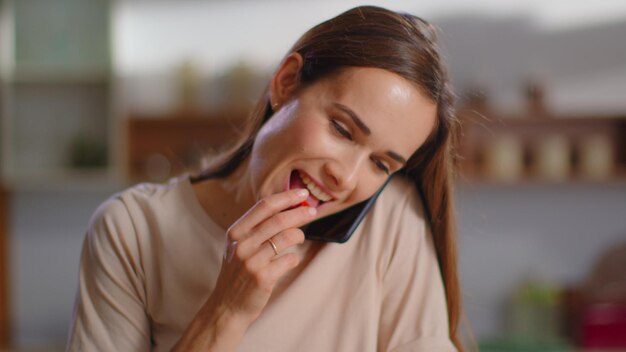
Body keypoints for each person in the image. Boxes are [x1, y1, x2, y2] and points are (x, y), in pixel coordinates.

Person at [67, 5, 464, 352]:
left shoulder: (391, 217)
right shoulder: (132, 230)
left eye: (381, 163)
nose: (345, 177)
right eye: (342, 130)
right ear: (287, 82)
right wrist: (227, 310)